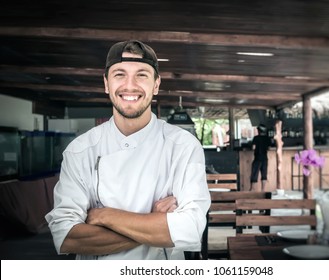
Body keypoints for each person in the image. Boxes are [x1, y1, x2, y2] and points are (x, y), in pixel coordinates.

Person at [45, 40, 211, 260]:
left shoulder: (183, 146)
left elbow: (190, 228)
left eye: (142, 74)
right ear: (106, 83)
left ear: (156, 84)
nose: (130, 85)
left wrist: (105, 216)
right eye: (119, 74)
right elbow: (67, 237)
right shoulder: (80, 150)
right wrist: (153, 222)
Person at [250, 124, 271, 191]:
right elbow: (269, 148)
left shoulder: (256, 138)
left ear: (259, 131)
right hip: (264, 158)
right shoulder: (267, 138)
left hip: (257, 158)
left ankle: (252, 189)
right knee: (264, 174)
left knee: (254, 174)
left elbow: (253, 147)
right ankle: (263, 190)